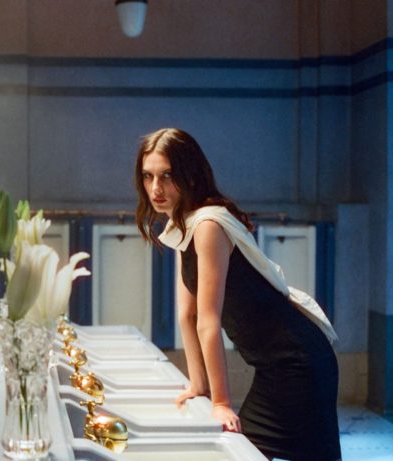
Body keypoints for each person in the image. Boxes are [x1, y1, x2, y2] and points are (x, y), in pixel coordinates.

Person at [134, 128, 341, 461]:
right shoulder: (184, 224)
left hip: (297, 360)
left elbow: (208, 320)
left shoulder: (208, 226)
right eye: (148, 176)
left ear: (190, 175)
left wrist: (220, 402)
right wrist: (198, 385)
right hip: (277, 364)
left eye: (167, 176)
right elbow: (186, 315)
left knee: (243, 452)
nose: (155, 188)